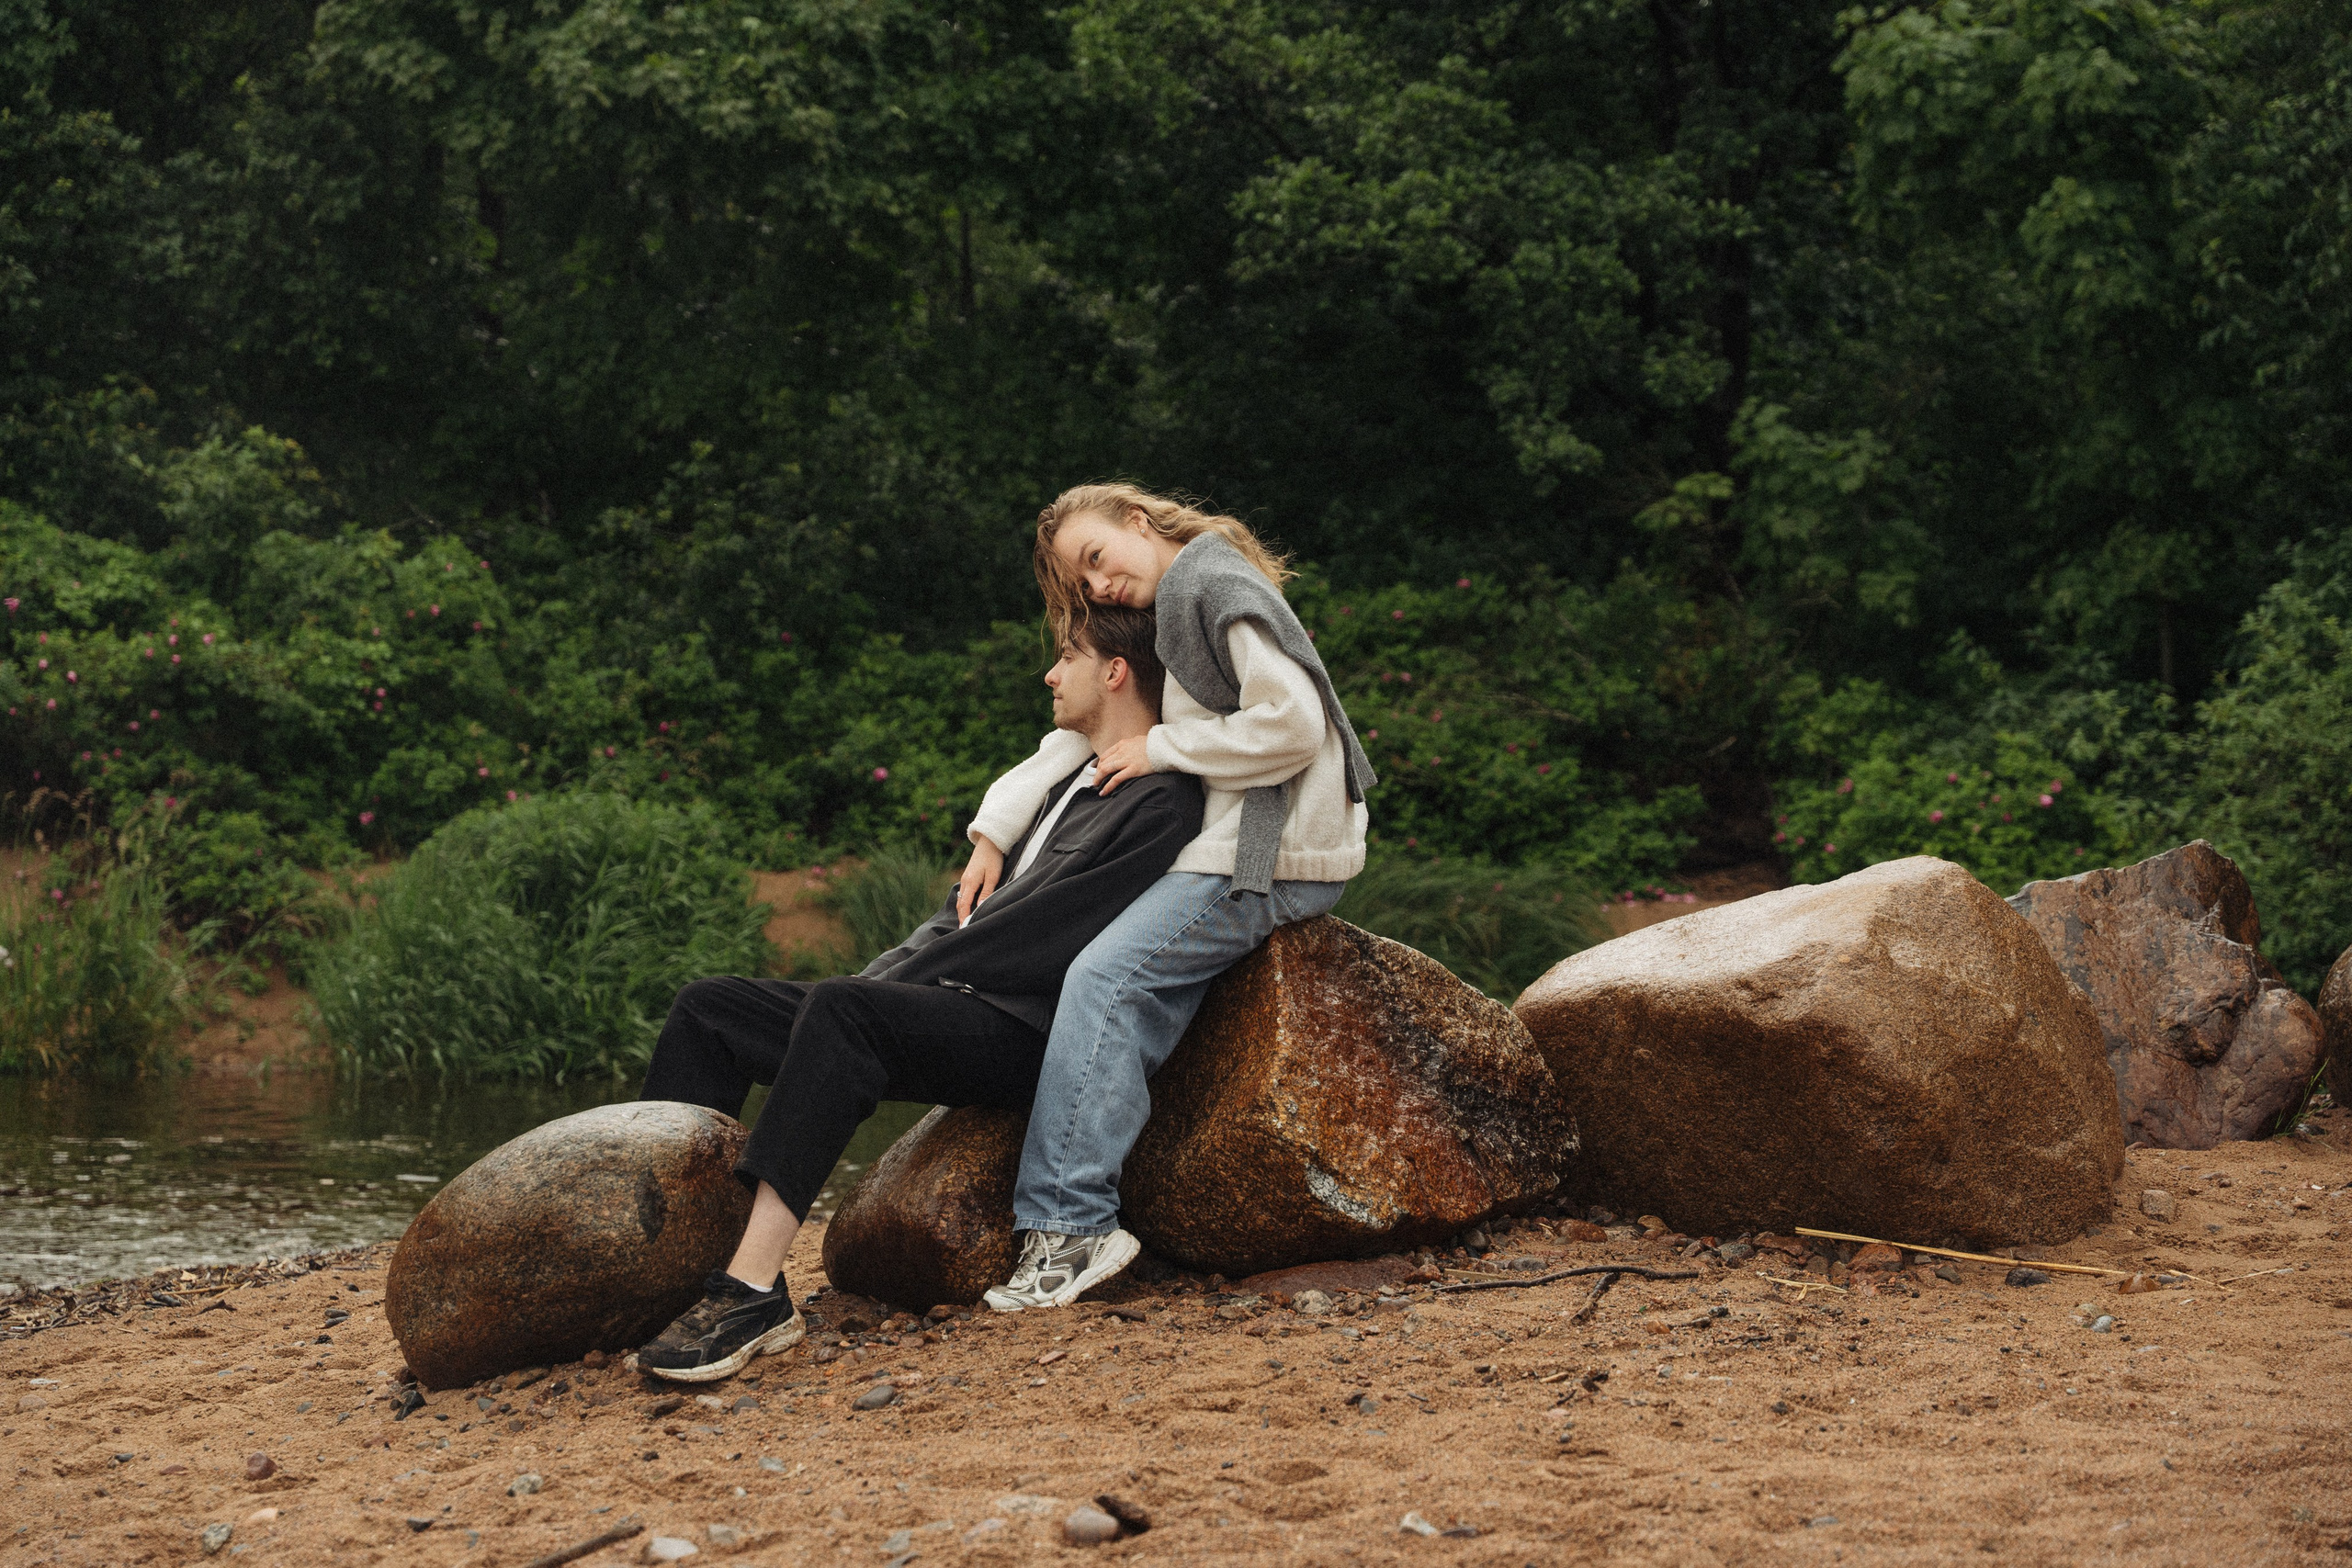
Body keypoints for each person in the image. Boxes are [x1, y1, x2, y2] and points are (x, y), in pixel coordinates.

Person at [630, 604, 1204, 1382]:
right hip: (951, 996)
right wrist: (875, 982)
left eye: (1067, 655)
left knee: (845, 1011)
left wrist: (870, 996)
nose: (1050, 673)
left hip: (1023, 1029)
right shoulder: (1062, 782)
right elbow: (960, 914)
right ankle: (659, 1270)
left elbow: (1042, 937)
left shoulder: (1162, 801)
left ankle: (754, 1293)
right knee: (710, 1010)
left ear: (1115, 671)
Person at [960, 483, 1375, 1313]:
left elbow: (1295, 724)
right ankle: (1072, 1213)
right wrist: (994, 831)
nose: (1099, 585)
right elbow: (1084, 728)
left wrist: (1165, 746)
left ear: (1138, 522)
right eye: (1082, 582)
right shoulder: (1167, 600)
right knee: (1089, 962)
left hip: (1268, 852)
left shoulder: (1213, 584)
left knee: (1106, 978)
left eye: (1096, 558)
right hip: (1229, 843)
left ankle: (1073, 1227)